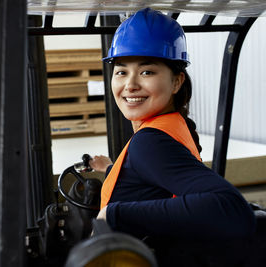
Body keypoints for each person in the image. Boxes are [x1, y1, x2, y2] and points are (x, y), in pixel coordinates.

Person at [89, 7, 255, 242]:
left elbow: (230, 208)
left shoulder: (149, 143)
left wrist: (115, 215)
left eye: (146, 72)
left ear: (176, 81)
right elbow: (159, 175)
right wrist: (110, 168)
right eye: (121, 72)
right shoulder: (172, 126)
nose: (130, 84)